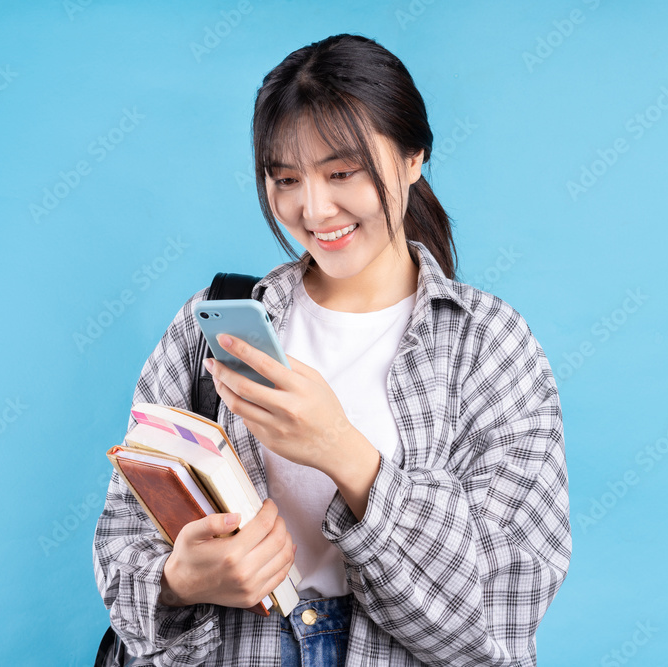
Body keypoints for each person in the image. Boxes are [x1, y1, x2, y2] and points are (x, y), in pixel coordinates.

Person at [92, 33, 571, 667]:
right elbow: (123, 542)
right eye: (286, 179)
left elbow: (497, 619)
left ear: (411, 159)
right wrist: (181, 583)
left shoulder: (489, 346)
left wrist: (340, 449)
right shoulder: (213, 325)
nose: (314, 210)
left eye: (342, 173)